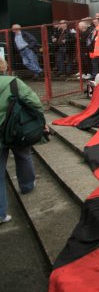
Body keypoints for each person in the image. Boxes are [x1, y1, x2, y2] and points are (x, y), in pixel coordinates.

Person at [0, 57, 47, 224]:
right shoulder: (13, 82)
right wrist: (42, 121)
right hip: (15, 130)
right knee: (24, 155)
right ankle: (27, 185)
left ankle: (0, 213)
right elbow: (33, 101)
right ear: (3, 66)